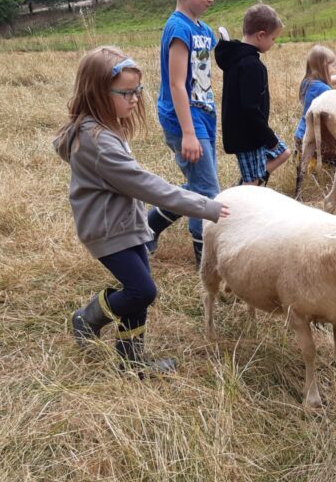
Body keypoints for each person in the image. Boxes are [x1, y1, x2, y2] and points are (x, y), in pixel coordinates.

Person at [54, 46, 229, 376]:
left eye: (139, 90)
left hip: (124, 225)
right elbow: (146, 186)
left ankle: (130, 359)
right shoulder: (98, 141)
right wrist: (206, 206)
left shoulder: (105, 129)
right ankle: (88, 317)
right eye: (127, 92)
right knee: (142, 291)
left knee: (139, 291)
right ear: (98, 93)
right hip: (107, 232)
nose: (135, 98)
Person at [145, 0, 220, 265]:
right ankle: (206, 261)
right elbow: (177, 84)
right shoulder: (179, 29)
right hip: (183, 118)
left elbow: (203, 73)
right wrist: (188, 133)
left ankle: (150, 224)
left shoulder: (202, 28)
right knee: (208, 191)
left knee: (200, 184)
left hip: (204, 114)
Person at [215, 3, 290, 187]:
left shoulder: (239, 58)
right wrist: (269, 139)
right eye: (273, 38)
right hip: (248, 136)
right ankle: (239, 199)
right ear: (261, 35)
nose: (273, 43)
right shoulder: (251, 65)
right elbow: (250, 108)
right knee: (252, 182)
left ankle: (247, 187)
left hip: (251, 132)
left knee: (284, 153)